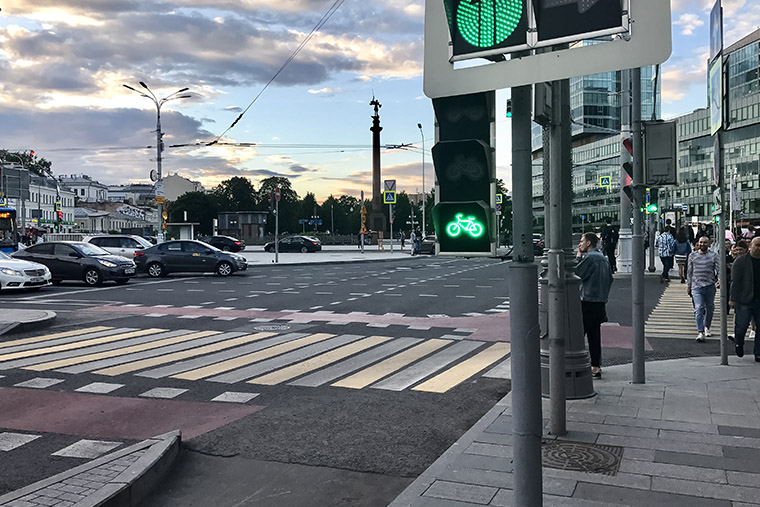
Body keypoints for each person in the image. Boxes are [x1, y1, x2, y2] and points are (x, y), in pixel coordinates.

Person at [576, 232, 614, 379]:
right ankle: (596, 366)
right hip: (600, 301)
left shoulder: (590, 258)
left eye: (582, 241)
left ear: (588, 243)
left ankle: (578, 363)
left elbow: (576, 274)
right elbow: (610, 279)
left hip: (587, 300)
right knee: (594, 335)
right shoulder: (603, 258)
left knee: (579, 333)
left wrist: (578, 256)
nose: (580, 244)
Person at [729, 237, 760, 361]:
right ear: (750, 246)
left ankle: (758, 352)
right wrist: (733, 299)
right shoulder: (741, 261)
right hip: (744, 300)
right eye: (757, 245)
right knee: (741, 327)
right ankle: (739, 342)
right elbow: (735, 282)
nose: (759, 248)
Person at [687, 236, 720, 342]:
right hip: (696, 286)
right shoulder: (692, 256)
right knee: (699, 308)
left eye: (705, 242)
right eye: (701, 242)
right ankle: (700, 332)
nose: (702, 244)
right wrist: (689, 285)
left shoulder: (714, 255)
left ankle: (707, 327)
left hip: (710, 285)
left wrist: (719, 280)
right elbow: (689, 272)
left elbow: (719, 269)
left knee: (710, 308)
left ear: (709, 244)